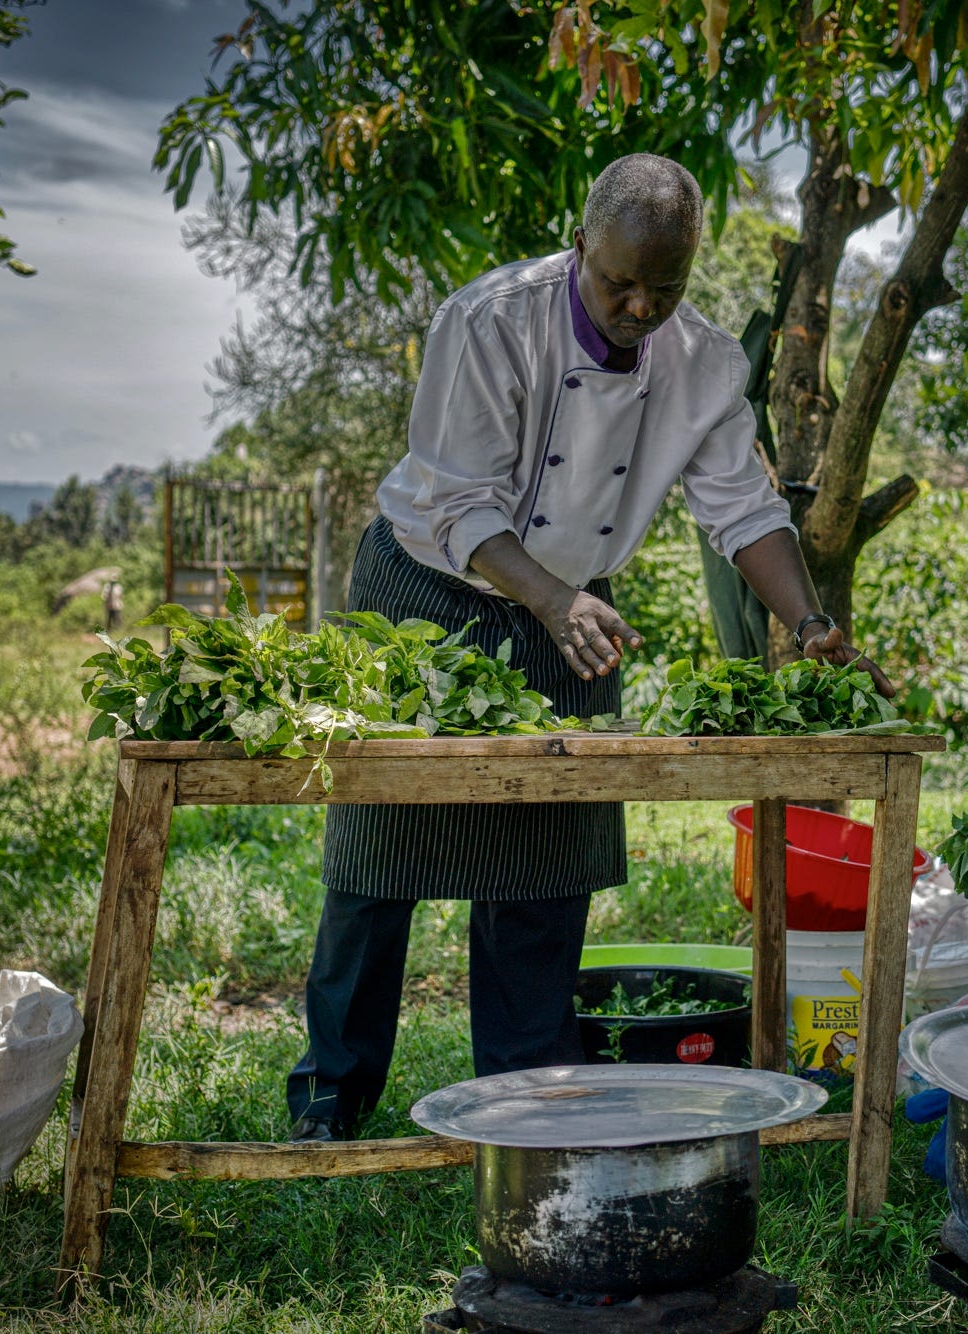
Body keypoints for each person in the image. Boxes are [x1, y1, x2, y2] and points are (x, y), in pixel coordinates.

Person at [285, 152, 891, 1141]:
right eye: (619, 282)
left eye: (666, 287)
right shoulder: (486, 321)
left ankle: (522, 1103)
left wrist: (810, 621)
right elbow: (455, 501)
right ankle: (330, 1096)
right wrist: (552, 599)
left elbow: (741, 508)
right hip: (424, 593)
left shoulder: (702, 362)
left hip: (569, 607)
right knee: (376, 856)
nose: (640, 306)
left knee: (545, 863)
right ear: (581, 245)